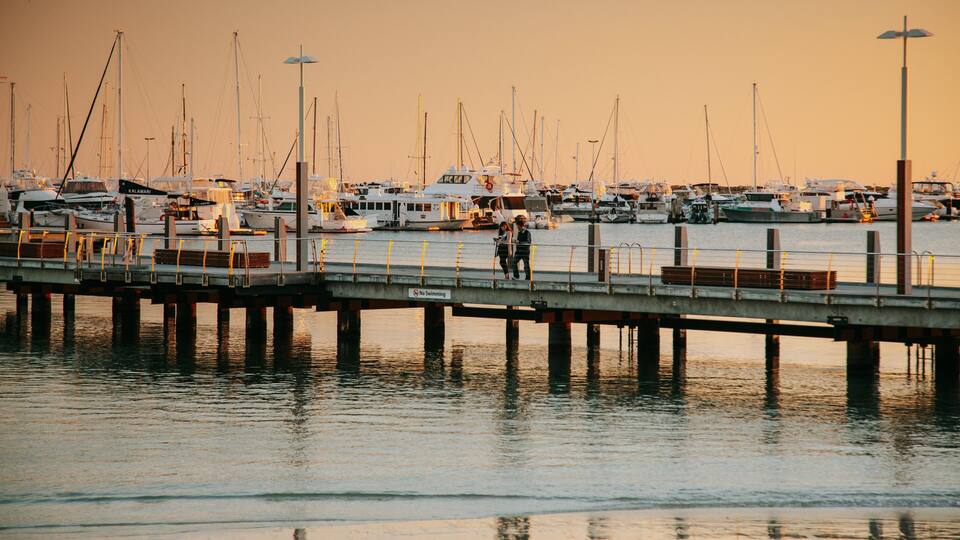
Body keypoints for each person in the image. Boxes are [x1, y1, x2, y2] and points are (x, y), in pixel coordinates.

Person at [512, 215, 532, 280]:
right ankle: (516, 276)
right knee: (514, 262)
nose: (517, 228)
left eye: (518, 226)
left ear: (521, 226)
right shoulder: (519, 232)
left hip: (525, 252)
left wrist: (519, 242)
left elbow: (528, 242)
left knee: (526, 265)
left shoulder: (527, 233)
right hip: (518, 251)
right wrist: (516, 242)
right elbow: (519, 241)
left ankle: (528, 278)